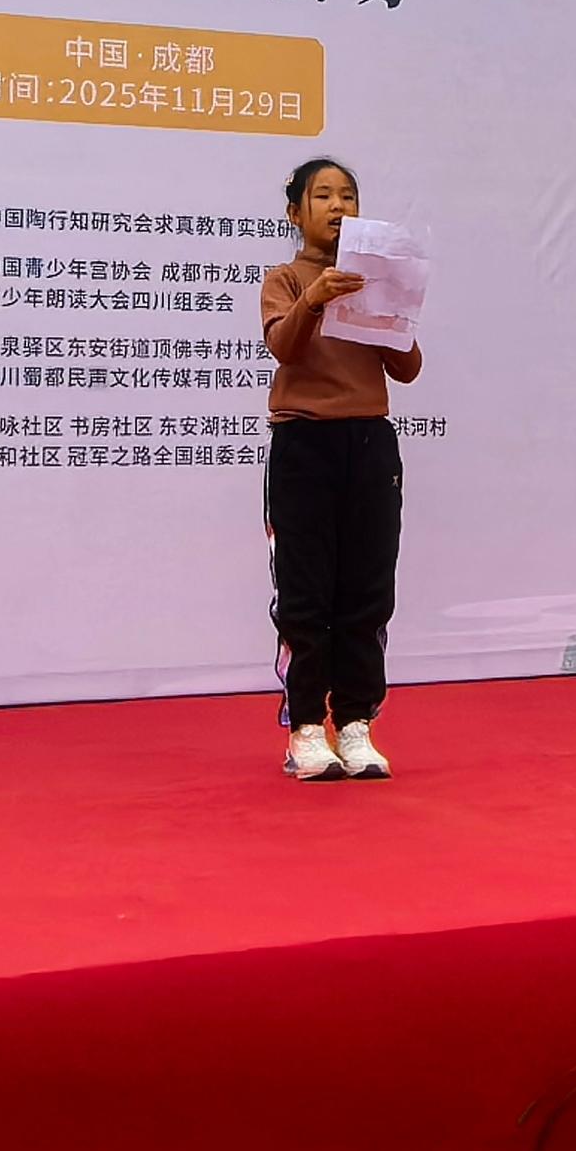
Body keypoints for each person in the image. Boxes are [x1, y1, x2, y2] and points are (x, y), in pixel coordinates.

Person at [258, 157, 422, 781]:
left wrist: (390, 307)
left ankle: (355, 723)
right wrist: (316, 298)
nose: (337, 206)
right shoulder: (284, 279)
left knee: (368, 588)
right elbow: (283, 346)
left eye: (347, 196)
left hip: (369, 442)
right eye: (322, 196)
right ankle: (305, 728)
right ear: (294, 212)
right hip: (304, 442)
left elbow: (407, 368)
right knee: (305, 590)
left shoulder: (371, 280)